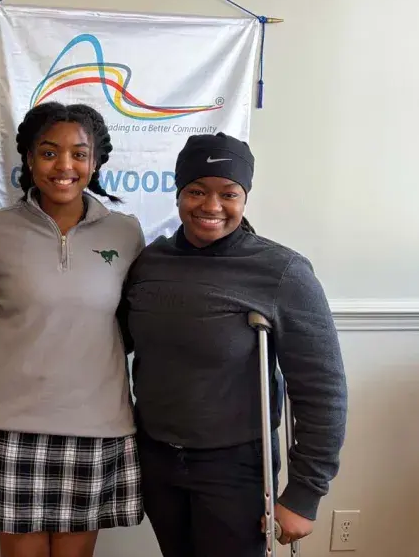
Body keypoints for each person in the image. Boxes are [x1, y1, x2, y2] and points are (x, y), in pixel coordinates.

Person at [122, 132, 349, 557]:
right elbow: (116, 342)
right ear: (178, 193)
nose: (211, 206)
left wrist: (305, 493)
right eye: (196, 191)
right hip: (156, 458)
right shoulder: (151, 263)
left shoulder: (281, 271)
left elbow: (322, 389)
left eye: (228, 193)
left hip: (236, 468)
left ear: (244, 198)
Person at [0, 102, 145, 557]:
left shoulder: (125, 233)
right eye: (49, 152)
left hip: (97, 423)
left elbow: (133, 321)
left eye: (79, 154)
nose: (64, 165)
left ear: (95, 161)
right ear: (28, 159)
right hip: (9, 422)